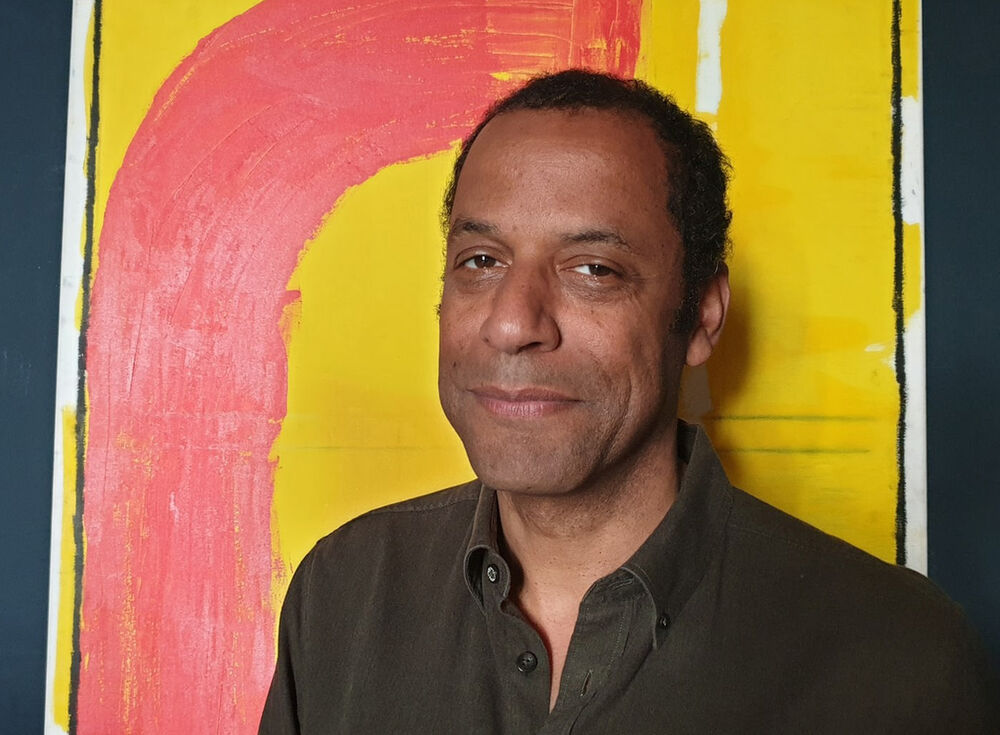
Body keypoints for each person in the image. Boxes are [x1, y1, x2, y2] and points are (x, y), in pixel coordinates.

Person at [259, 70, 998, 733]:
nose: (512, 323)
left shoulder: (898, 659)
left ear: (701, 317)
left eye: (594, 270)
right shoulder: (343, 595)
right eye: (481, 260)